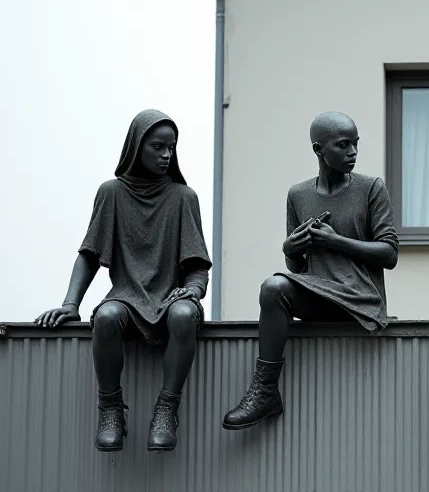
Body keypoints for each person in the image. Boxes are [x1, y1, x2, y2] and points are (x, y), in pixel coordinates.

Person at [35, 109, 212, 452]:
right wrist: (71, 304)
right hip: (127, 298)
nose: (166, 155)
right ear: (136, 147)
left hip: (170, 299)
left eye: (171, 148)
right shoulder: (111, 193)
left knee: (184, 315)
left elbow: (197, 267)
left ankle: (166, 409)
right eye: (158, 147)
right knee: (105, 317)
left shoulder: (183, 197)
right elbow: (89, 254)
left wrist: (192, 291)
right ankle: (111, 409)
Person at [222, 111, 399, 430]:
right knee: (273, 287)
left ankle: (263, 391)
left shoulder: (371, 187)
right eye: (343, 145)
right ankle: (264, 392)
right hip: (318, 295)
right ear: (319, 150)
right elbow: (298, 268)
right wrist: (290, 251)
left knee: (277, 286)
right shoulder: (298, 194)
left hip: (360, 300)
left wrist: (336, 242)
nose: (353, 152)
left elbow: (389, 254)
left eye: (356, 144)